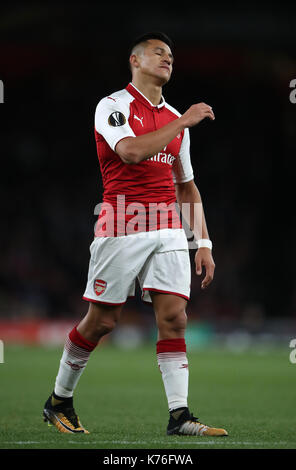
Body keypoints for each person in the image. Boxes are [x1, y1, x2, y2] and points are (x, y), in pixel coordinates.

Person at [43, 32, 228, 437]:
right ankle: (59, 400)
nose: (168, 59)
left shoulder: (179, 120)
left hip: (168, 228)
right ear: (135, 60)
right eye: (159, 53)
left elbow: (186, 185)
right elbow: (129, 152)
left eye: (172, 56)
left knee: (175, 317)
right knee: (103, 321)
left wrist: (204, 243)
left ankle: (179, 416)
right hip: (122, 222)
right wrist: (182, 121)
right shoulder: (113, 106)